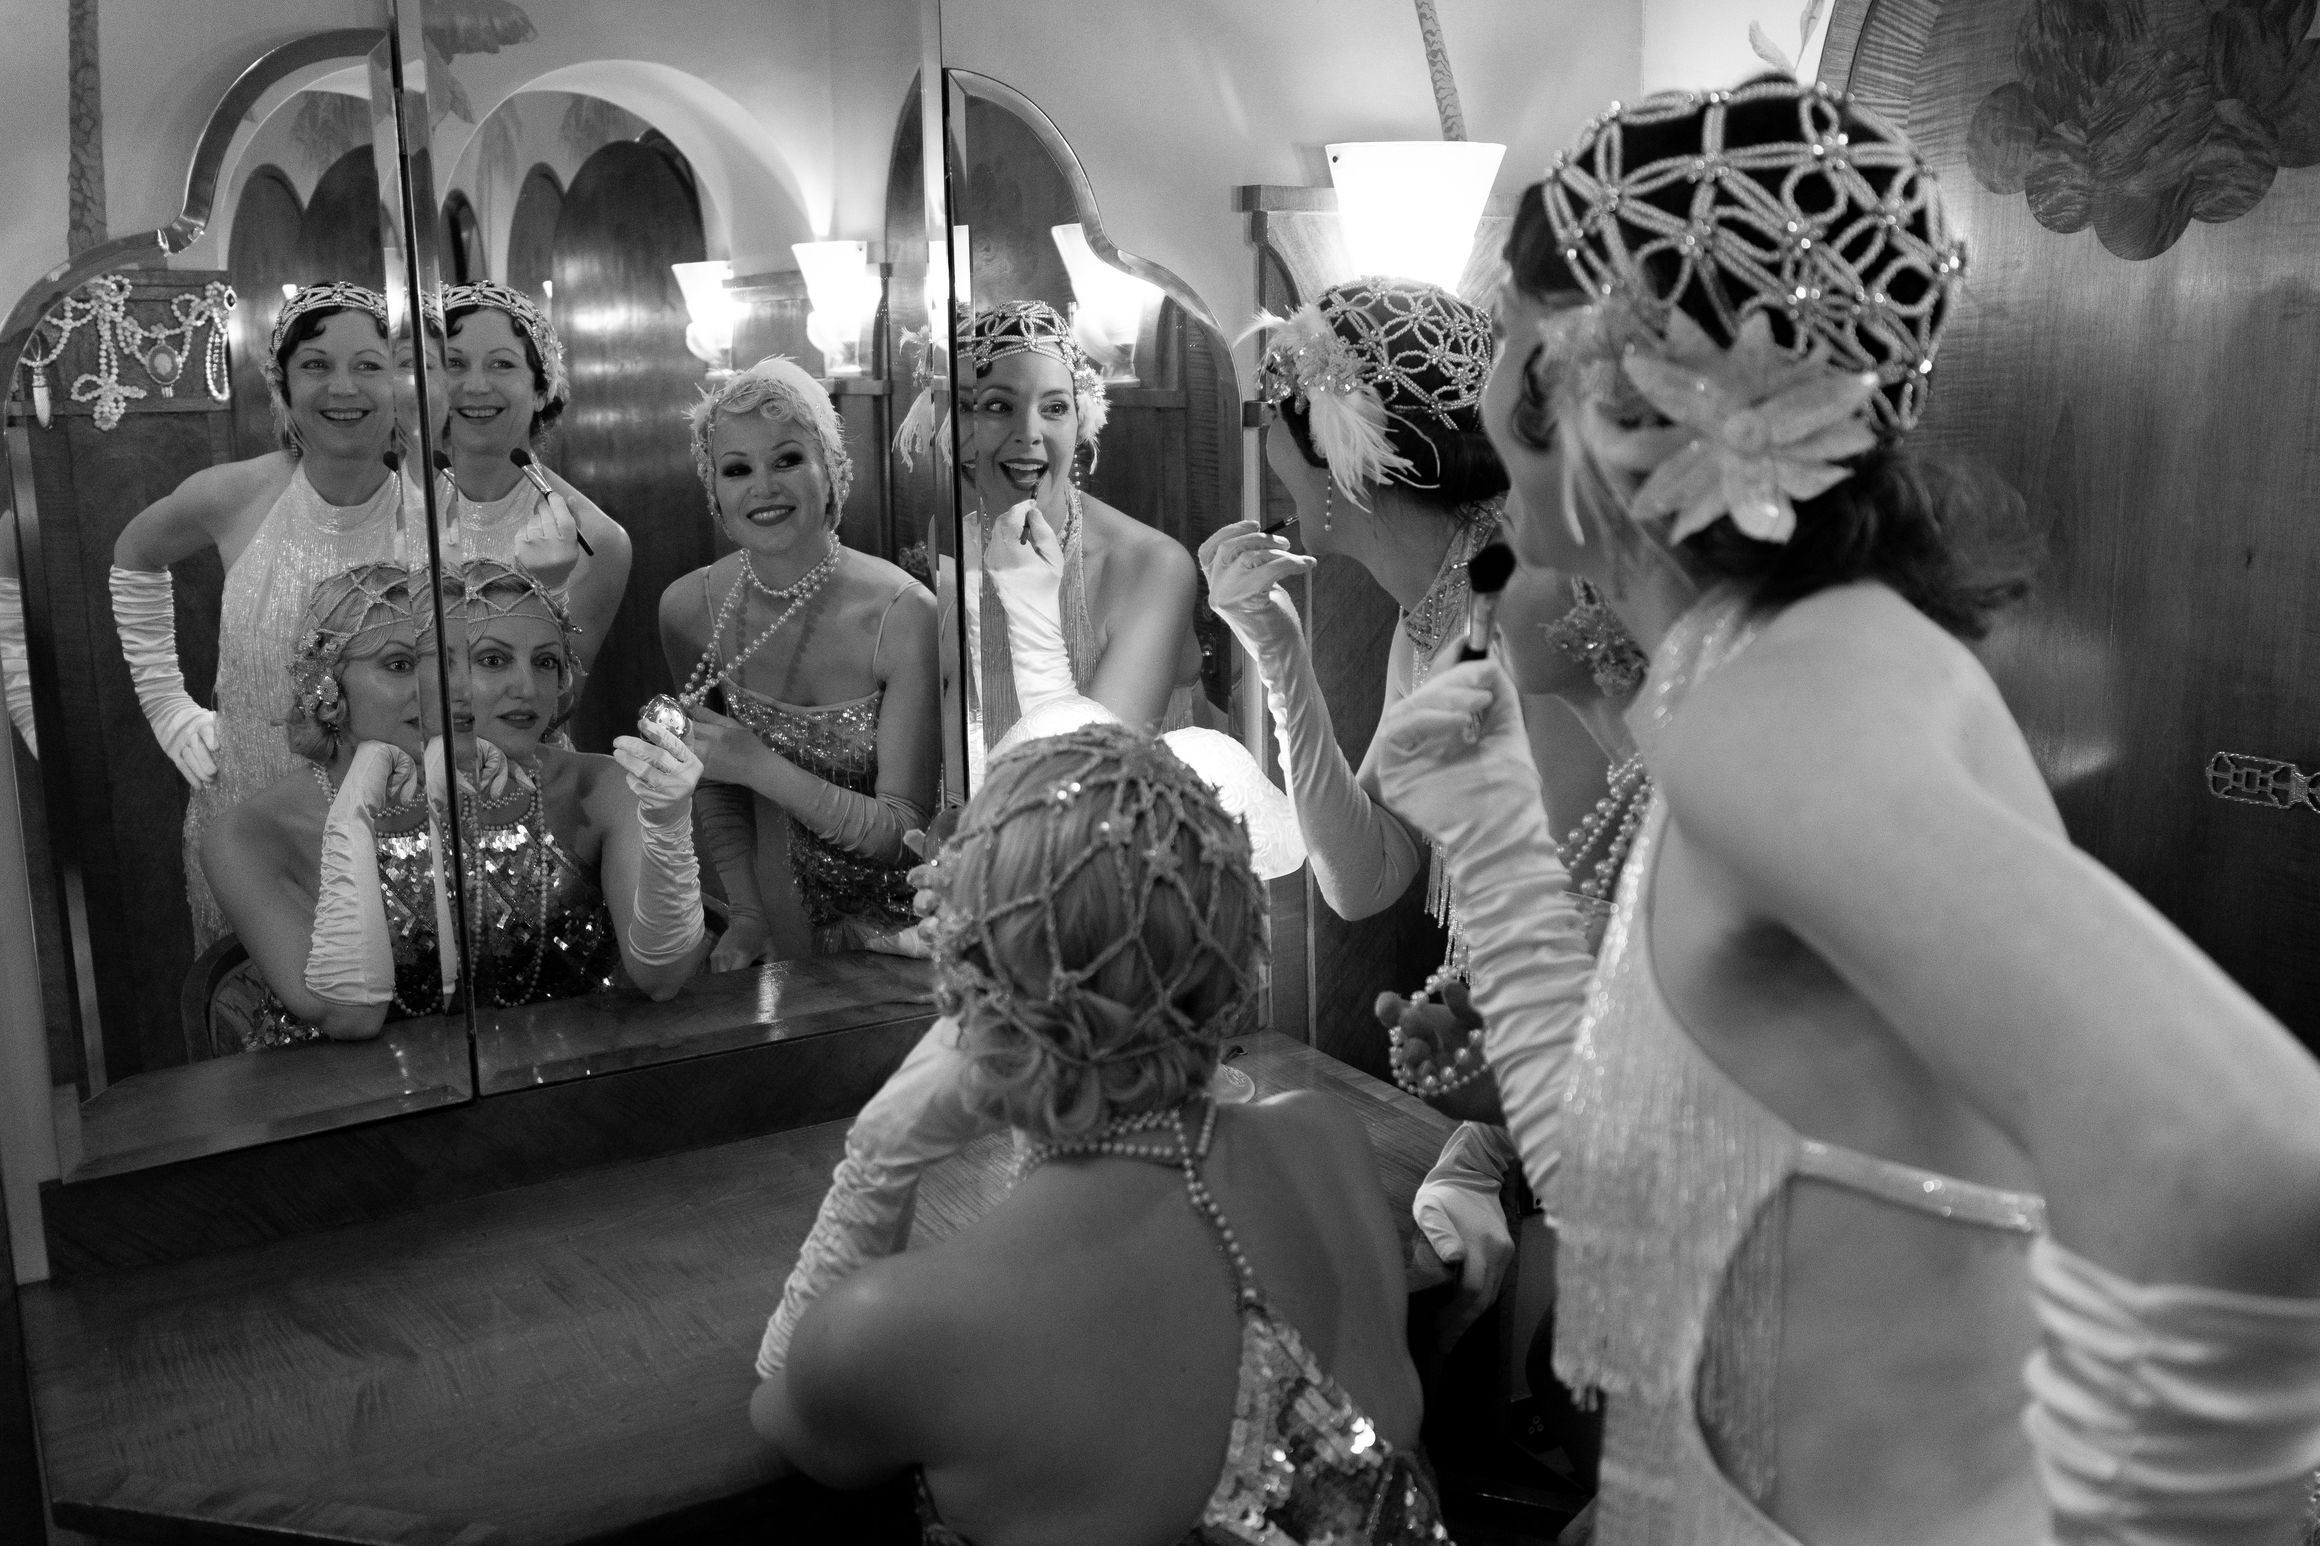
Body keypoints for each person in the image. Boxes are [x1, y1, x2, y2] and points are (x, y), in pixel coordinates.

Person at [1374, 78, 2320, 1543]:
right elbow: (1649, 1204)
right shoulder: (1755, 682)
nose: (1484, 386)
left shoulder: (1785, 712)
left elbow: (2259, 1166)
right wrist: (1492, 825)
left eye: (1505, 331)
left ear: (1606, 386)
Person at [750, 724, 1449, 1544]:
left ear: (969, 988)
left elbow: (783, 1421)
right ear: (1230, 939)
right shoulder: (1326, 1139)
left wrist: (879, 1156)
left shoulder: (893, 1327)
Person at [203, 558, 706, 1047]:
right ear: (327, 687)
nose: (437, 688)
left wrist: (668, 825)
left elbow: (662, 979)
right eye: (401, 665)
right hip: (337, 1105)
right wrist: (354, 809)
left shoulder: (584, 785)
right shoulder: (247, 834)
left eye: (445, 664)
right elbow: (348, 1015)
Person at [113, 282, 423, 946]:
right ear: (282, 383)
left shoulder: (435, 520)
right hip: (245, 834)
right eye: (317, 365)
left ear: (396, 381)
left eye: (367, 365)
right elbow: (134, 554)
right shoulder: (234, 495)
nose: (344, 388)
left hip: (398, 837)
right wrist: (167, 706)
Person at [660, 356, 938, 965]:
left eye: (787, 459)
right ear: (716, 495)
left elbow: (905, 834)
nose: (764, 486)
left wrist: (760, 766)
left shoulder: (903, 613)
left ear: (832, 472)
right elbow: (713, 779)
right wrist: (748, 913)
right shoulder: (688, 609)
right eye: (737, 469)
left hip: (908, 930)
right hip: (777, 916)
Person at [951, 300, 1200, 777]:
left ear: (1080, 421)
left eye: (1054, 408)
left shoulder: (1151, 566)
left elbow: (1100, 785)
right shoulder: (957, 538)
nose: (1029, 434)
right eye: (998, 407)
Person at [436, 280, 630, 671]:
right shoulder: (393, 505)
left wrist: (549, 589)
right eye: (454, 364)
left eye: (502, 364)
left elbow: (560, 701)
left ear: (542, 390)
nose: (475, 386)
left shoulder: (597, 540)